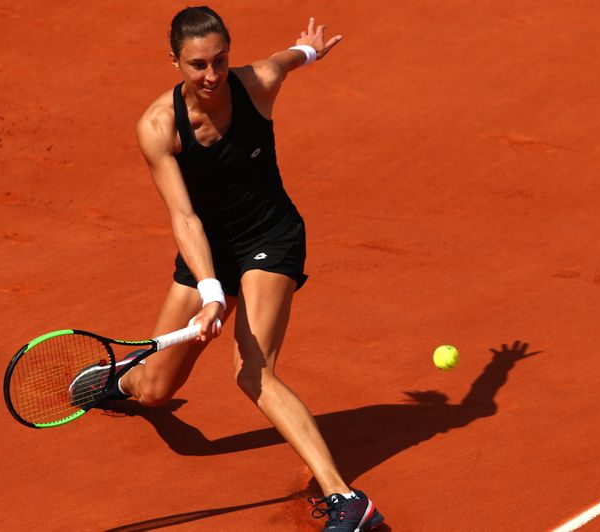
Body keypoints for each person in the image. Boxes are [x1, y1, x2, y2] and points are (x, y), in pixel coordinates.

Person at [86, 7, 383, 531]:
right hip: (210, 248)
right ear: (174, 61)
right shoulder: (158, 127)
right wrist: (210, 292)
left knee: (253, 369)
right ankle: (126, 378)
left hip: (271, 237)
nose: (211, 75)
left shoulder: (256, 84)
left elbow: (284, 61)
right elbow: (184, 218)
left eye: (220, 61)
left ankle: (346, 499)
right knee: (155, 392)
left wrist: (309, 50)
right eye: (197, 64)